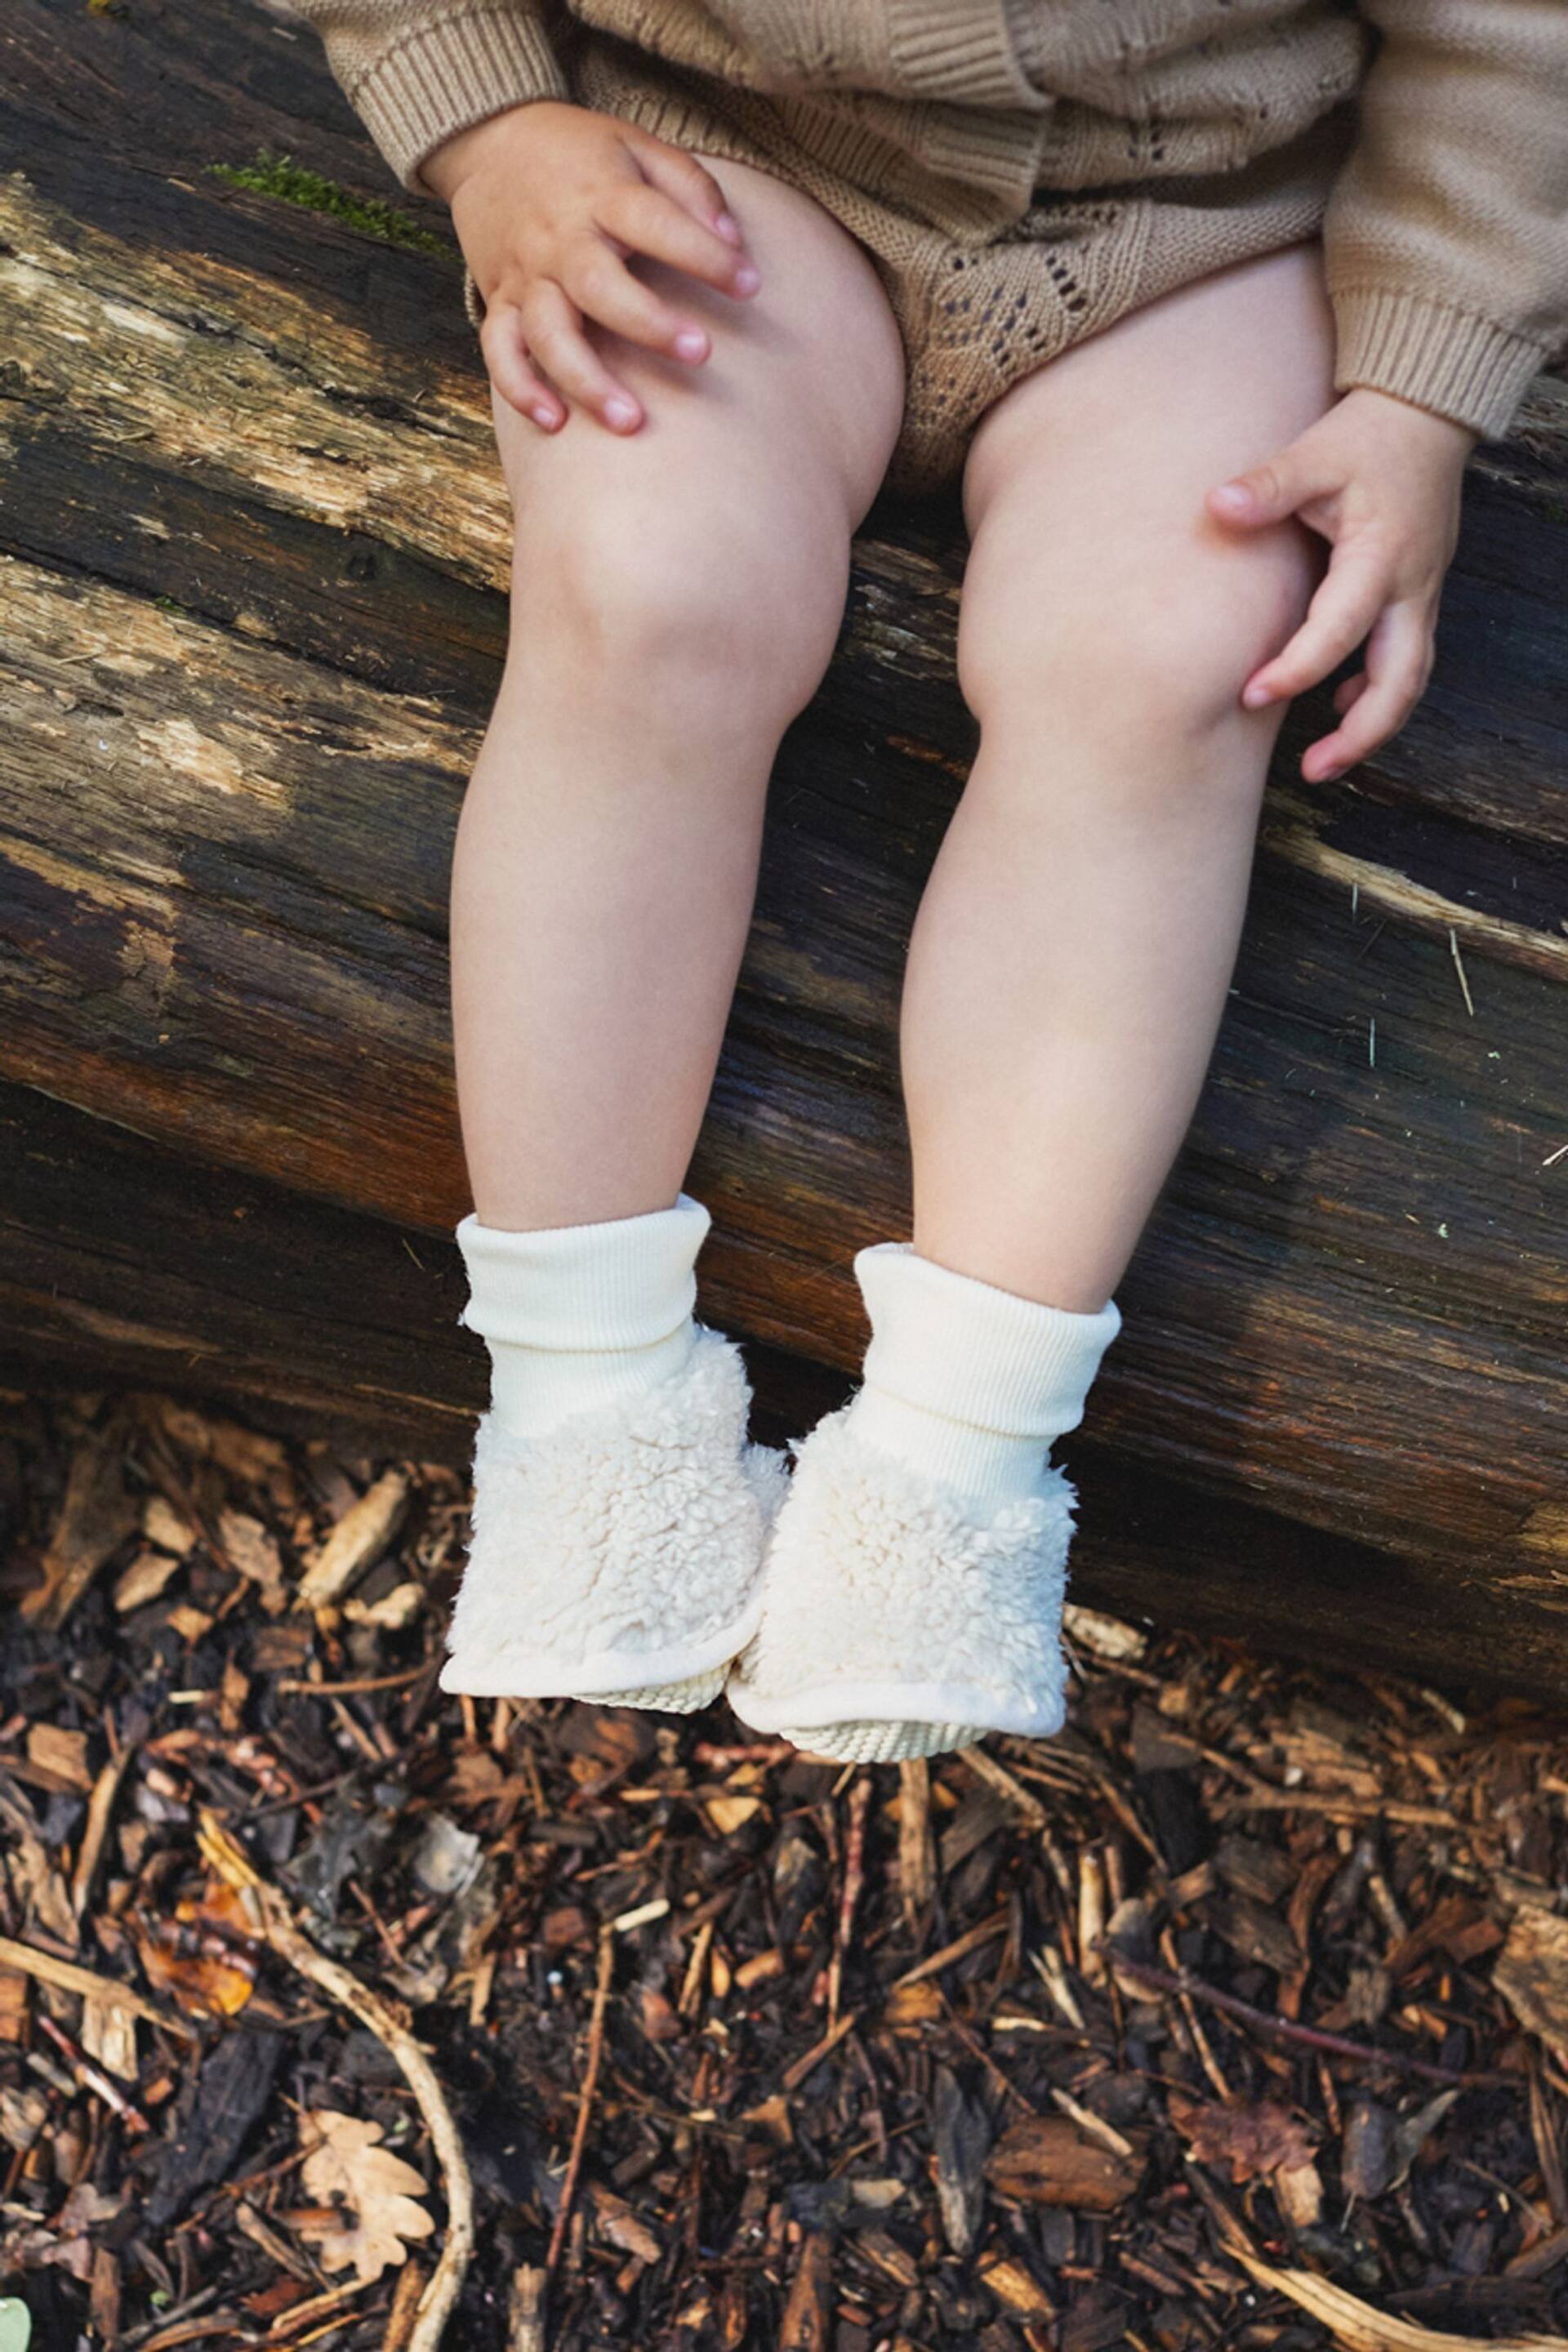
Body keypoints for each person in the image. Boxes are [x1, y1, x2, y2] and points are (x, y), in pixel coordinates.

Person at [287, 0, 1568, 1763]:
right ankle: (583, 1403)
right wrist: (480, 111)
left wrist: (1425, 372)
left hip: (1204, 221)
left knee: (1172, 658)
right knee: (652, 589)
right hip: (722, 153)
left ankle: (956, 1464)